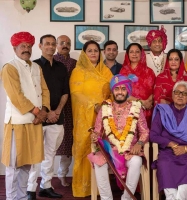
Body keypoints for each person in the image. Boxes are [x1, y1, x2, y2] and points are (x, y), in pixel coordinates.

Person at [1, 32, 50, 200]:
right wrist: (39, 113)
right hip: (18, 121)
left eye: (29, 46)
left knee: (28, 164)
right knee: (14, 165)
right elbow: (16, 96)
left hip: (34, 122)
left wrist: (44, 110)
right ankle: (11, 198)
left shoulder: (36, 67)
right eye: (23, 46)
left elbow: (45, 90)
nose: (26, 49)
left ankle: (22, 197)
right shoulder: (10, 67)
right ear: (15, 48)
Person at [89, 74, 149, 200]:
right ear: (113, 91)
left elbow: (145, 132)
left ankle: (127, 198)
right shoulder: (104, 108)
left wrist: (139, 144)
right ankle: (107, 199)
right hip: (109, 150)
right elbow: (97, 131)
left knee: (137, 161)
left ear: (128, 90)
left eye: (123, 89)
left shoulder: (136, 108)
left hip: (129, 150)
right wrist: (95, 137)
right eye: (117, 89)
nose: (120, 92)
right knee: (99, 163)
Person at [150, 81, 187, 200]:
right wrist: (170, 143)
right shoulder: (163, 112)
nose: (180, 95)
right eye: (177, 92)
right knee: (164, 164)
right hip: (169, 152)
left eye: (184, 93)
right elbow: (153, 135)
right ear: (172, 95)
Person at [26, 34, 69, 199]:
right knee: (36, 154)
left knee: (50, 154)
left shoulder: (61, 67)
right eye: (47, 44)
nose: (50, 47)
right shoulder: (33, 66)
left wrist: (57, 111)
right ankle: (30, 189)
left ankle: (46, 186)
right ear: (40, 46)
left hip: (57, 117)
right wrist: (45, 112)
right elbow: (30, 94)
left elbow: (65, 92)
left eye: (53, 44)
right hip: (38, 117)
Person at [70, 40, 113, 197]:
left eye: (96, 50)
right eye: (90, 50)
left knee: (101, 150)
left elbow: (114, 89)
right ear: (84, 53)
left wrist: (107, 106)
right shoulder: (78, 71)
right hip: (85, 117)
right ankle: (83, 188)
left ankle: (101, 188)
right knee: (84, 147)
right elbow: (76, 94)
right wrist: (93, 105)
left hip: (104, 117)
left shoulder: (106, 71)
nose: (94, 53)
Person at [53, 35, 77, 187]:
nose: (65, 45)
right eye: (62, 43)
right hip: (54, 106)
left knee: (68, 142)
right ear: (56, 45)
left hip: (71, 107)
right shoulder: (51, 61)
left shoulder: (75, 63)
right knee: (50, 143)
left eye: (68, 43)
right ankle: (45, 178)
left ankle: (62, 174)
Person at [120, 43, 155, 127]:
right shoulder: (123, 72)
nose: (134, 54)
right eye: (131, 52)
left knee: (145, 136)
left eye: (137, 52)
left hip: (147, 110)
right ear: (128, 54)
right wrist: (142, 102)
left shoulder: (149, 71)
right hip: (128, 110)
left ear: (141, 54)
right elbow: (122, 92)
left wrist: (148, 102)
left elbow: (156, 89)